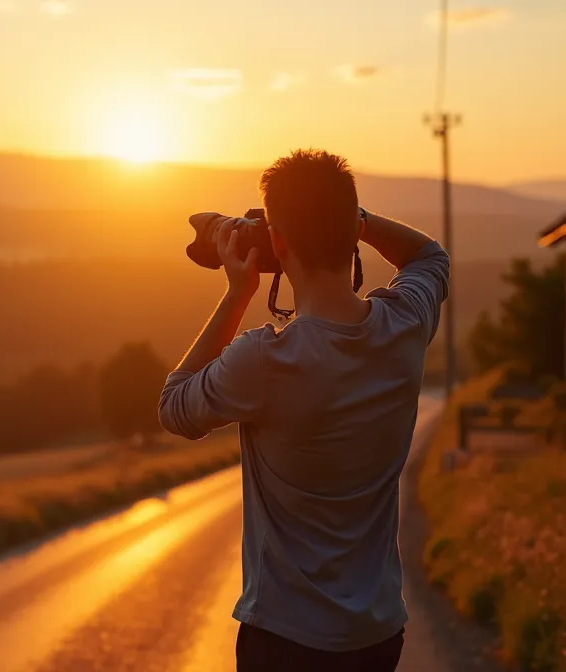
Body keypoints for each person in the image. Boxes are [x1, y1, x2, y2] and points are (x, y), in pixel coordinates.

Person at [157, 149, 449, 672]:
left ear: (279, 242)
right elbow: (430, 258)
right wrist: (352, 222)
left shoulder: (264, 359)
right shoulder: (405, 325)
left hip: (284, 640)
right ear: (352, 230)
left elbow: (175, 406)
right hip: (377, 635)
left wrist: (238, 292)